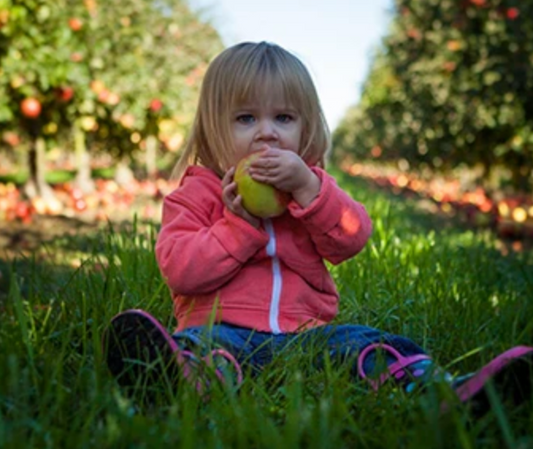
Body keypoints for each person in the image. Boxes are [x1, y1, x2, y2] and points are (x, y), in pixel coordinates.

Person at [103, 41, 533, 413]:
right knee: (204, 347)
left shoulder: (311, 188)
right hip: (223, 328)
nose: (266, 135)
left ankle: (443, 391)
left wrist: (310, 190)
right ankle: (180, 376)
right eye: (246, 119)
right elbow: (181, 270)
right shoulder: (195, 196)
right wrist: (238, 226)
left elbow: (352, 238)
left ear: (306, 125)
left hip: (308, 337)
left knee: (368, 344)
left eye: (284, 119)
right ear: (213, 127)